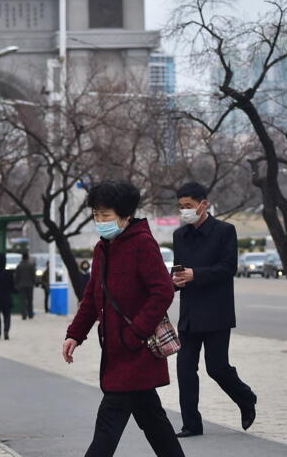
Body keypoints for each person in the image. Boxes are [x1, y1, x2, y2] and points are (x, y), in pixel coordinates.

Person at [63, 179, 184, 457]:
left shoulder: (142, 244)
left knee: (109, 422)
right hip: (117, 350)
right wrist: (74, 334)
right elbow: (92, 297)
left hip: (135, 351)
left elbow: (162, 291)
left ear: (125, 215)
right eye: (96, 214)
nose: (100, 220)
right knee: (153, 421)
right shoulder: (103, 248)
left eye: (105, 215)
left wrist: (136, 333)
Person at [172, 181, 257, 437]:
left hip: (216, 312)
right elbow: (180, 270)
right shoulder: (179, 235)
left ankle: (245, 398)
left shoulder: (224, 231)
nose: (184, 211)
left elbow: (228, 268)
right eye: (181, 207)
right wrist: (174, 281)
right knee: (185, 369)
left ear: (203, 204)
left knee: (216, 368)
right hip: (189, 312)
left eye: (188, 206)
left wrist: (195, 274)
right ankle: (191, 424)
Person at [14, 252, 36, 320]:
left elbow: (16, 276)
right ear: (27, 257)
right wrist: (34, 282)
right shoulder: (31, 265)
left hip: (21, 285)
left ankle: (24, 315)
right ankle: (30, 314)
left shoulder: (19, 266)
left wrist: (16, 284)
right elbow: (33, 275)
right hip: (30, 285)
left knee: (23, 300)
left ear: (22, 258)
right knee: (30, 300)